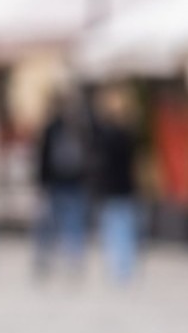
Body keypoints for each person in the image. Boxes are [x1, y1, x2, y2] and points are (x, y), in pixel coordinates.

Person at [32, 87, 94, 280]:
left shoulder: (52, 127)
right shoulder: (81, 126)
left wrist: (40, 181)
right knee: (74, 224)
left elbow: (43, 157)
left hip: (56, 182)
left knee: (50, 223)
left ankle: (46, 261)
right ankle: (73, 260)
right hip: (76, 181)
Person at [91, 86, 142, 284]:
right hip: (126, 187)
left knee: (113, 230)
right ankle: (124, 268)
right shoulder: (129, 134)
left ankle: (116, 268)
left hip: (111, 189)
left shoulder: (106, 136)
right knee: (125, 229)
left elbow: (100, 161)